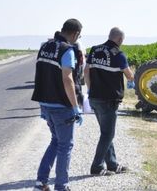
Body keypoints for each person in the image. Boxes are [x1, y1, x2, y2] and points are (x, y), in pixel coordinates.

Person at [31, 19, 83, 191]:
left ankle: (41, 182)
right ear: (75, 34)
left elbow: (42, 75)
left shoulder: (45, 47)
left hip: (45, 103)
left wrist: (42, 106)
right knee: (65, 145)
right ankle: (62, 186)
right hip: (61, 107)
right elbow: (67, 79)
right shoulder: (67, 50)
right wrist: (76, 107)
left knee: (55, 141)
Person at [84, 27, 135, 176]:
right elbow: (130, 76)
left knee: (106, 132)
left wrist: (90, 89)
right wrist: (132, 78)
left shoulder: (94, 50)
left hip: (94, 97)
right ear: (119, 40)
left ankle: (112, 164)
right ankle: (97, 167)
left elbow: (86, 71)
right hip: (109, 99)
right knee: (108, 134)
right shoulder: (119, 54)